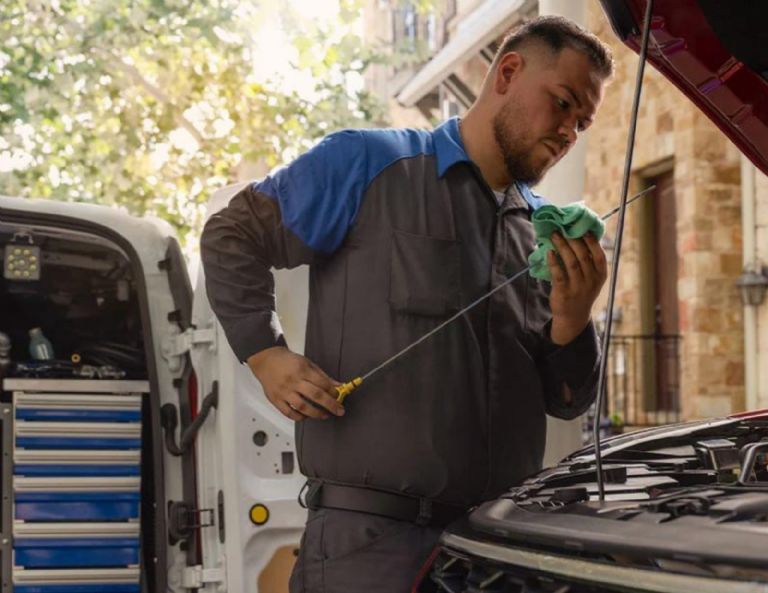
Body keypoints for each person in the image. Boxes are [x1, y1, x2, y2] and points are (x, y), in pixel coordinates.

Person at [200, 14, 613, 593]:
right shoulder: (368, 163)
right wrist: (265, 355)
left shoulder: (542, 235)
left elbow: (567, 403)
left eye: (583, 121)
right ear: (509, 72)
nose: (570, 130)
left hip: (499, 555)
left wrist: (574, 318)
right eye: (564, 103)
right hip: (369, 550)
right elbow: (231, 235)